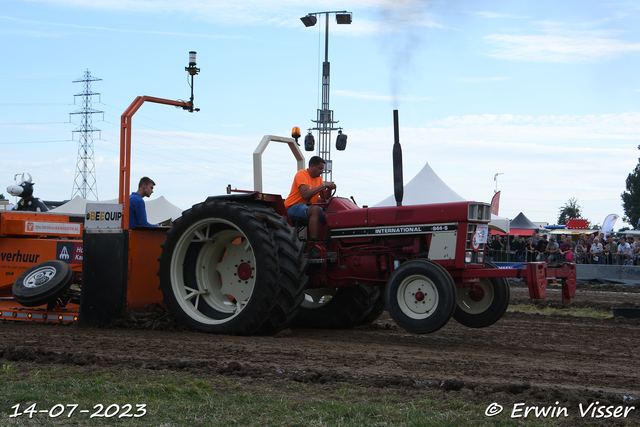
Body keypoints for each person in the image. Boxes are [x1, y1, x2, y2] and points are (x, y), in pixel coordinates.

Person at [284, 156, 336, 256]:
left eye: (322, 169)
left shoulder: (318, 178)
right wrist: (324, 185)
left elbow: (324, 196)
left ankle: (327, 245)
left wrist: (329, 189)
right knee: (315, 210)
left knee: (332, 216)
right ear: (312, 166)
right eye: (320, 169)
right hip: (292, 207)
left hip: (305, 208)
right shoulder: (301, 174)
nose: (322, 171)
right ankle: (313, 245)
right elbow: (305, 194)